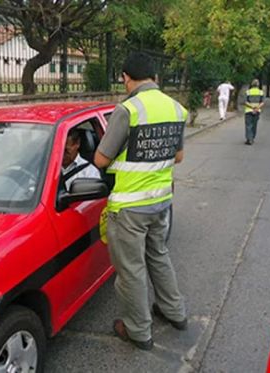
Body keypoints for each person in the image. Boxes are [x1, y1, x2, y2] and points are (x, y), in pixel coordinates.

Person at [94, 51, 187, 351]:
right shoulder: (176, 108)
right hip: (161, 201)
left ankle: (138, 331)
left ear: (126, 78)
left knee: (131, 271)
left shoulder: (128, 110)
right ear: (155, 77)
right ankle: (175, 313)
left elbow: (100, 158)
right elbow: (179, 156)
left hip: (130, 208)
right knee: (159, 256)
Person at [244, 79, 265, 145]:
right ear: (258, 85)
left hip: (248, 110)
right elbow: (262, 102)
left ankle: (249, 139)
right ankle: (252, 138)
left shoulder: (248, 92)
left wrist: (252, 107)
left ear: (252, 84)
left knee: (248, 125)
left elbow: (245, 102)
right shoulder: (261, 92)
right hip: (257, 111)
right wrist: (257, 108)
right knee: (254, 125)